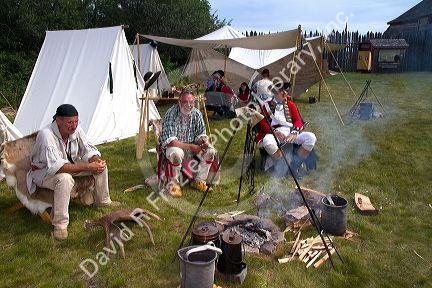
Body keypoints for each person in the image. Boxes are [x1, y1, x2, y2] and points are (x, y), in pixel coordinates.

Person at [27, 104, 120, 240]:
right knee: (65, 179)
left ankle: (103, 201)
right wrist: (88, 167)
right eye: (70, 122)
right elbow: (58, 167)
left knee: (100, 167)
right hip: (44, 173)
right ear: (58, 121)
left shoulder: (76, 130)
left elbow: (87, 149)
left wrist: (97, 160)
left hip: (67, 167)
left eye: (76, 121)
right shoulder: (46, 135)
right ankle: (60, 225)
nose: (74, 125)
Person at [159, 89, 217, 197]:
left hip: (192, 147)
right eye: (185, 102)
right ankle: (174, 185)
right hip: (175, 146)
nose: (188, 105)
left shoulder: (197, 113)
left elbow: (201, 133)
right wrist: (191, 147)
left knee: (211, 151)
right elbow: (171, 141)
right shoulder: (171, 114)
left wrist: (203, 141)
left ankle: (199, 181)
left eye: (191, 102)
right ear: (179, 102)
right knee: (176, 153)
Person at [254, 83, 317, 178]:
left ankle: (294, 167)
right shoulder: (266, 106)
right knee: (267, 142)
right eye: (281, 90)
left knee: (311, 138)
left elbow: (298, 120)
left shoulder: (291, 105)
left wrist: (294, 133)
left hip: (290, 131)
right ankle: (281, 164)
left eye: (286, 91)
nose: (285, 93)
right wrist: (274, 132)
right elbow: (263, 124)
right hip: (274, 132)